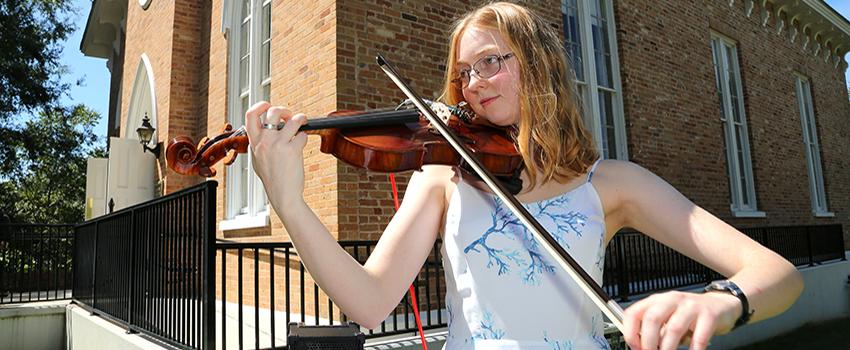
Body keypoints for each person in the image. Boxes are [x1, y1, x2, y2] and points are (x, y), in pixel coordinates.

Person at [244, 2, 803, 349]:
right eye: (463, 72)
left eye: (492, 61)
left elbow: (777, 274)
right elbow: (368, 302)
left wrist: (721, 300)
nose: (474, 83)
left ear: (537, 64)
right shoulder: (446, 175)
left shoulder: (611, 184)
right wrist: (290, 203)